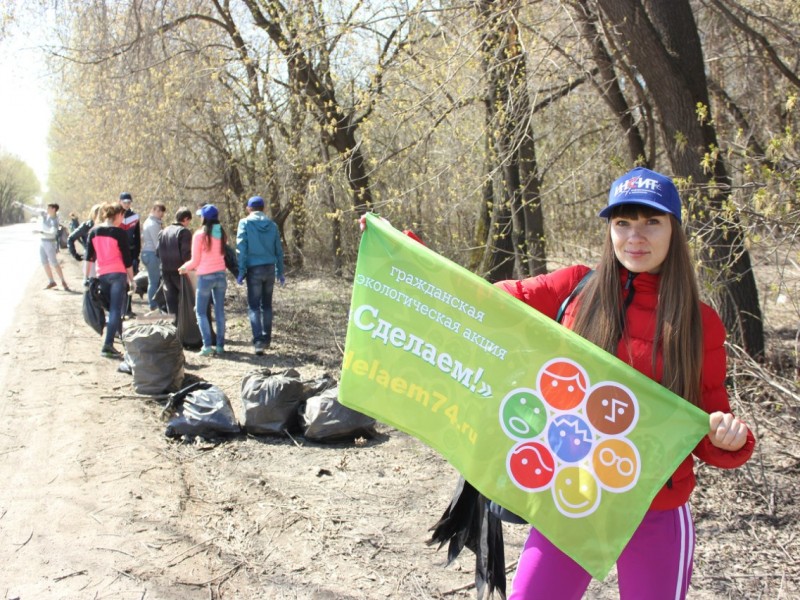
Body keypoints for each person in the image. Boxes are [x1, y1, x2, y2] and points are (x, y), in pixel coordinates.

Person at [492, 167, 755, 599]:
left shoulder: (699, 323)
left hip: (655, 508)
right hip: (572, 496)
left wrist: (729, 440)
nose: (636, 236)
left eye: (652, 221)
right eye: (623, 223)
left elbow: (704, 426)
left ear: (674, 229)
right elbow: (481, 301)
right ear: (609, 230)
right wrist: (407, 259)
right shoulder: (575, 287)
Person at [84, 202, 135, 358]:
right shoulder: (119, 233)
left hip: (102, 274)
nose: (123, 219)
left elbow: (89, 258)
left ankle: (120, 336)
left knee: (111, 309)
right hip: (118, 274)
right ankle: (108, 345)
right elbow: (127, 259)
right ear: (117, 215)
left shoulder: (94, 232)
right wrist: (132, 279)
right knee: (115, 309)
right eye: (122, 216)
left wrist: (86, 278)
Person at [235, 195, 285, 355]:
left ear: (249, 208)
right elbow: (279, 250)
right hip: (269, 268)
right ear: (263, 208)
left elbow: (241, 248)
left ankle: (258, 342)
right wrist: (280, 271)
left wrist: (241, 271)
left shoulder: (245, 223)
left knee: (254, 306)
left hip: (253, 269)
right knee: (267, 306)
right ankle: (267, 339)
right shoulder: (272, 225)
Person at [178, 204, 228, 356]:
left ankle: (207, 346)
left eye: (201, 215)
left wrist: (183, 268)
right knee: (219, 312)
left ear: (205, 218)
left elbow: (194, 261)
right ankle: (220, 346)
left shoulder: (199, 235)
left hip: (205, 276)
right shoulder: (222, 233)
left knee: (200, 312)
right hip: (221, 275)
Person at [14, 200, 71, 291]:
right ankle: (51, 281)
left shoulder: (54, 220)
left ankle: (63, 281)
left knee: (54, 262)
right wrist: (21, 205)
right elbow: (33, 210)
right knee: (44, 262)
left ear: (53, 209)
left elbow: (52, 233)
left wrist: (40, 232)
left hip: (50, 243)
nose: (46, 209)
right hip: (43, 242)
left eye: (48, 208)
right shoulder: (44, 214)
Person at [158, 206, 193, 320]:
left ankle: (174, 329)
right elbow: (186, 254)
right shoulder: (184, 232)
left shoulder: (163, 232)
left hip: (165, 271)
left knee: (171, 303)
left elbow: (157, 252)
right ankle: (187, 329)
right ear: (186, 219)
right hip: (180, 271)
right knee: (187, 300)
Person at [141, 202, 166, 313]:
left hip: (147, 253)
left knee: (153, 280)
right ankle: (153, 305)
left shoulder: (151, 222)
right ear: (153, 210)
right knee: (154, 281)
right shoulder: (153, 224)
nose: (160, 213)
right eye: (158, 211)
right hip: (151, 253)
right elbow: (158, 243)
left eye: (162, 211)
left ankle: (154, 304)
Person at [119, 192, 141, 318]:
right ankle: (120, 309)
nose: (127, 204)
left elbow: (137, 237)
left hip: (131, 252)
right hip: (119, 253)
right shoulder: (116, 215)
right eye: (125, 202)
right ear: (120, 201)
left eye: (129, 202)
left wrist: (136, 255)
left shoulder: (134, 217)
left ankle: (128, 308)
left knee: (130, 282)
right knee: (120, 282)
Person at [69, 204, 102, 278]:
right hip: (90, 260)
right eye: (97, 213)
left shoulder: (108, 226)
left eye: (101, 213)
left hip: (105, 261)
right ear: (93, 214)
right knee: (89, 285)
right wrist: (75, 254)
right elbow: (71, 238)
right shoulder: (86, 226)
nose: (99, 215)